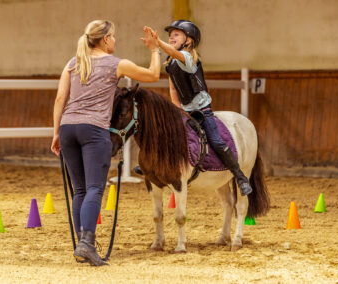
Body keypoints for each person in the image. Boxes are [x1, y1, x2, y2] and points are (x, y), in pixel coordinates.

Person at [51, 20, 160, 266]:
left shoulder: (72, 63)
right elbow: (153, 75)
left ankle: (82, 243)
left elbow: (60, 98)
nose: (115, 40)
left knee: (79, 189)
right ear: (106, 39)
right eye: (114, 36)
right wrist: (155, 50)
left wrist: (56, 133)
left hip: (68, 127)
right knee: (94, 189)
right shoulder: (116, 64)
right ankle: (87, 244)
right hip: (94, 130)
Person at [144, 20, 252, 196]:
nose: (171, 37)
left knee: (216, 141)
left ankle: (240, 176)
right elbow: (173, 89)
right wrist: (178, 111)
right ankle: (153, 166)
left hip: (202, 110)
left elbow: (171, 51)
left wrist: (158, 43)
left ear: (188, 41)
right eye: (170, 35)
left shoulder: (187, 58)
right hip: (184, 109)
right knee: (163, 134)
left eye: (176, 34)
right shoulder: (170, 62)